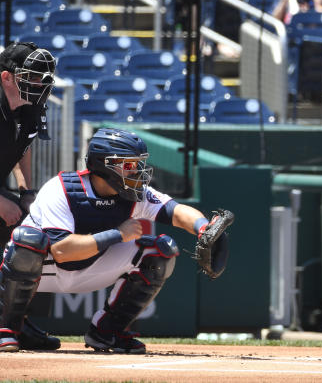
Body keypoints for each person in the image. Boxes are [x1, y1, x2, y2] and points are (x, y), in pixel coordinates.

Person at [0, 128, 231, 353]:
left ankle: (108, 332)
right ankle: (8, 326)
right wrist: (118, 234)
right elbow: (62, 251)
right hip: (43, 269)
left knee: (161, 250)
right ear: (104, 164)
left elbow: (175, 211)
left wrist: (203, 228)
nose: (137, 171)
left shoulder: (135, 193)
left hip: (90, 268)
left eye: (138, 164)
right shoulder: (60, 189)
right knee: (28, 240)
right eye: (129, 165)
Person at [0, 42, 60, 351]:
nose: (40, 84)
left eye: (43, 78)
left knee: (32, 235)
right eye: (32, 77)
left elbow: (24, 147)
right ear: (6, 77)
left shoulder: (32, 107)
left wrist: (26, 192)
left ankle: (15, 322)